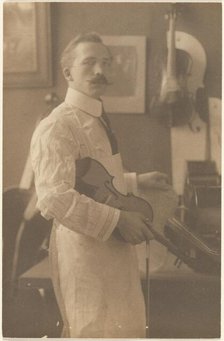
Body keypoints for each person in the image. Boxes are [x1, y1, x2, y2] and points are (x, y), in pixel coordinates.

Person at [30, 32, 169, 338]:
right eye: (89, 63)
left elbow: (91, 181)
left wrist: (135, 180)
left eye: (105, 63)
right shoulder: (57, 125)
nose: (99, 71)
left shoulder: (96, 116)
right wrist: (119, 218)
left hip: (114, 250)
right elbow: (54, 197)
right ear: (68, 72)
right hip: (85, 254)